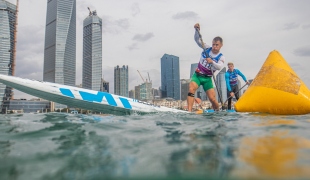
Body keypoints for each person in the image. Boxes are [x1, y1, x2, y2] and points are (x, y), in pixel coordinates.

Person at [187, 23, 225, 112]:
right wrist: (197, 31)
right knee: (191, 89)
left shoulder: (221, 57)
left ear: (221, 45)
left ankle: (217, 111)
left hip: (207, 79)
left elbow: (219, 67)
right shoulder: (206, 48)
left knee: (212, 99)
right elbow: (197, 40)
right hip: (197, 75)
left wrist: (212, 62)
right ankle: (188, 111)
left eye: (217, 45)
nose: (214, 47)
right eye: (213, 44)